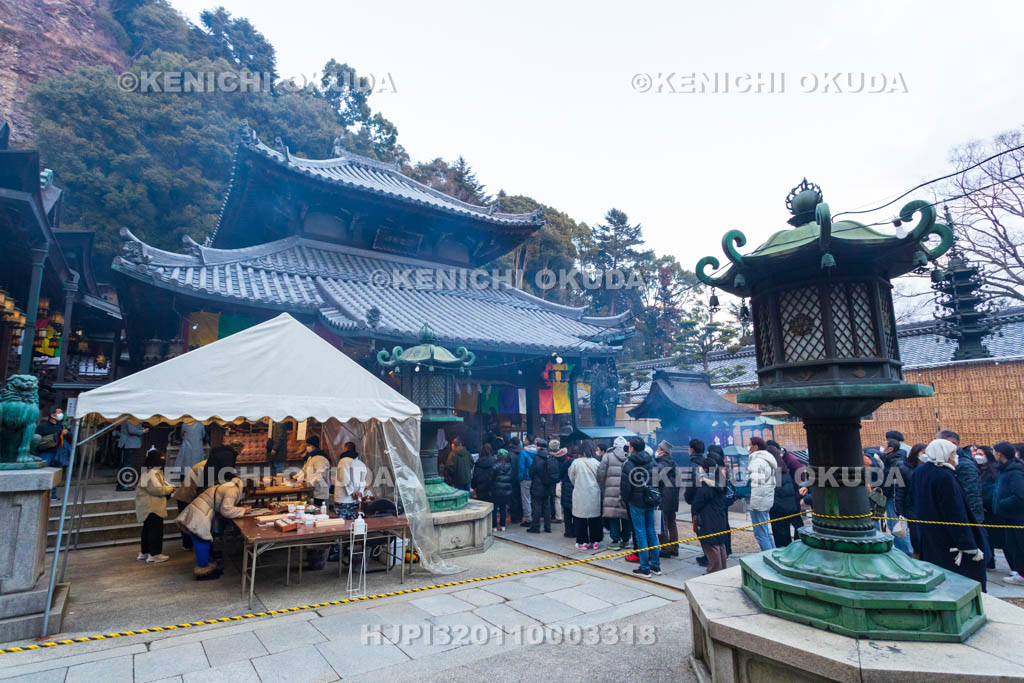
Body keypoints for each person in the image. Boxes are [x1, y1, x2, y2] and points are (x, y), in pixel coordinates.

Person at [909, 439, 987, 591]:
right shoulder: (944, 476)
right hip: (948, 537)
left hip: (929, 532)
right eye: (952, 453)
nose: (955, 457)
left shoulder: (920, 471)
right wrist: (966, 543)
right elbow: (954, 510)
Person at [176, 446, 250, 580]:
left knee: (202, 536)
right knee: (201, 536)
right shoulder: (206, 469)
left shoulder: (214, 466)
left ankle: (206, 563)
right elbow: (224, 507)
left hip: (200, 507)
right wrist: (241, 509)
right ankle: (203, 568)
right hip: (190, 501)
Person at [620, 436, 662, 577]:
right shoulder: (652, 461)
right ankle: (656, 565)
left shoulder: (629, 464)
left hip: (635, 502)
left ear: (632, 448)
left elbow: (625, 487)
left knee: (640, 534)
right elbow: (658, 481)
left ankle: (644, 567)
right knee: (651, 531)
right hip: (649, 501)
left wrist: (626, 500)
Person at [993, 442, 1024, 585]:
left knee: (1019, 545)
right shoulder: (1005, 470)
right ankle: (1020, 571)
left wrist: (1002, 504)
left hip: (1017, 517)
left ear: (999, 454)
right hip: (1009, 516)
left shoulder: (1014, 472)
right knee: (1013, 546)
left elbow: (1020, 495)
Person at [136, 449, 175, 563]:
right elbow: (156, 490)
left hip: (147, 507)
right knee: (155, 531)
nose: (163, 462)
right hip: (152, 507)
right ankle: (155, 554)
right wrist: (170, 489)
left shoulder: (149, 471)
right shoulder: (151, 473)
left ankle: (144, 552)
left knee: (147, 530)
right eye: (161, 459)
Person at [692, 456, 729, 573]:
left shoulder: (706, 484)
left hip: (708, 517)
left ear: (706, 469)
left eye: (702, 468)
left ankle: (714, 571)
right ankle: (722, 570)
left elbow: (698, 502)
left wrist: (694, 509)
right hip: (719, 515)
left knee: (711, 545)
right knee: (720, 543)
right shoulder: (720, 480)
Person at [938, 429, 985, 522]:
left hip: (964, 516)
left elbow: (972, 493)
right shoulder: (940, 462)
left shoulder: (964, 464)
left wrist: (971, 519)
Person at [880, 438, 913, 555]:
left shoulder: (896, 462)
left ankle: (907, 554)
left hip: (893, 498)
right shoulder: (890, 460)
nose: (881, 446)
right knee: (894, 526)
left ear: (890, 449)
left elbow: (895, 485)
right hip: (891, 497)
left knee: (897, 527)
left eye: (884, 444)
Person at [597, 436, 631, 550]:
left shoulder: (608, 456)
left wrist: (604, 488)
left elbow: (601, 474)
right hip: (626, 491)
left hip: (611, 490)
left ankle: (615, 540)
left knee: (614, 516)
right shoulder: (629, 455)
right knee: (626, 516)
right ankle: (626, 540)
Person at [569, 439, 603, 550]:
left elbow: (572, 477)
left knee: (580, 518)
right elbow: (600, 478)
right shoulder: (597, 463)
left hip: (580, 493)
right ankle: (595, 541)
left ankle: (582, 542)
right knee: (595, 518)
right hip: (594, 493)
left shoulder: (576, 462)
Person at [767, 444, 801, 547]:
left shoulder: (775, 473)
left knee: (780, 536)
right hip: (788, 506)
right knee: (786, 533)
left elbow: (777, 492)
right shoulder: (784, 469)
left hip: (778, 508)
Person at [747, 436, 777, 551]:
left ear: (755, 446)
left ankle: (769, 557)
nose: (748, 447)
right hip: (766, 499)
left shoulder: (757, 461)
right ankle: (773, 554)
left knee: (760, 534)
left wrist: (754, 505)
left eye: (749, 445)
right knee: (765, 532)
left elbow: (757, 484)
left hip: (759, 503)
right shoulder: (767, 459)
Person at [172, 454, 207, 551]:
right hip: (186, 497)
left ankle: (188, 545)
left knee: (187, 522)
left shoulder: (204, 465)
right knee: (187, 523)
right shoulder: (206, 467)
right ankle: (188, 545)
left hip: (185, 495)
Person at [684, 438, 709, 566]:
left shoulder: (693, 465)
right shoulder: (706, 461)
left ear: (692, 449)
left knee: (699, 528)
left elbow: (691, 484)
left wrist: (688, 498)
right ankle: (708, 555)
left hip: (697, 500)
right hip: (707, 499)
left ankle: (708, 557)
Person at [706, 444, 733, 557]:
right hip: (723, 501)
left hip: (719, 501)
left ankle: (725, 549)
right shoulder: (724, 467)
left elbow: (719, 487)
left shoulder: (718, 469)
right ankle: (727, 548)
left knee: (722, 525)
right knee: (724, 523)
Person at [654, 440, 680, 557]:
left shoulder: (660, 465)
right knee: (672, 523)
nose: (657, 451)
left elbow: (655, 481)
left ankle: (665, 548)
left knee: (662, 523)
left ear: (663, 452)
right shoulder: (674, 464)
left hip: (663, 497)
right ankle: (674, 547)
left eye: (658, 449)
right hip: (673, 497)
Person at [527, 439, 558, 533]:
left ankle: (536, 527)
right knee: (547, 507)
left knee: (537, 507)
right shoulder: (550, 457)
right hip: (548, 486)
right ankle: (547, 527)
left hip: (537, 486)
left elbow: (531, 472)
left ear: (539, 447)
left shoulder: (537, 458)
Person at [36, 406, 67, 500]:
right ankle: (40, 493)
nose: (61, 414)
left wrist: (65, 433)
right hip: (46, 453)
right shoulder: (42, 426)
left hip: (57, 453)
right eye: (59, 412)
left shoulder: (60, 426)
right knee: (44, 472)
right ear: (52, 415)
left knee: (55, 474)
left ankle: (52, 494)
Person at [293, 436, 331, 506]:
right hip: (312, 490)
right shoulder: (311, 457)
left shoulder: (321, 458)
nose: (307, 447)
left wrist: (310, 483)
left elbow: (320, 474)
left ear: (313, 446)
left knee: (319, 511)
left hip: (320, 492)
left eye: (308, 445)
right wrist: (295, 477)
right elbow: (304, 470)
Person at [335, 442, 369, 520]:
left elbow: (344, 478)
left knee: (341, 525)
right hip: (355, 500)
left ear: (346, 449)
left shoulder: (343, 461)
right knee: (352, 523)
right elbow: (363, 480)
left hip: (343, 499)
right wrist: (359, 492)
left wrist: (352, 491)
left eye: (342, 448)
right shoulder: (361, 463)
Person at [116, 422, 147, 491]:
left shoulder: (131, 419)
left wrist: (140, 429)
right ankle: (122, 485)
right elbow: (132, 431)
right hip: (128, 444)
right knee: (126, 465)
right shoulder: (130, 419)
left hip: (129, 445)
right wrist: (143, 431)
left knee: (127, 465)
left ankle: (124, 484)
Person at [553, 439, 574, 535]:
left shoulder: (566, 463)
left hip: (566, 486)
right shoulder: (575, 462)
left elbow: (560, 474)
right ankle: (575, 530)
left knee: (567, 510)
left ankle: (569, 531)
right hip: (575, 488)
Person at [490, 448, 514, 531]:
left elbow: (491, 478)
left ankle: (494, 526)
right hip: (506, 490)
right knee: (503, 508)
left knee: (495, 508)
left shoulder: (495, 466)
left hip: (496, 489)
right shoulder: (510, 466)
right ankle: (503, 525)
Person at [518, 437, 536, 527]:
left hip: (526, 478)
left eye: (525, 440)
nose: (524, 441)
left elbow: (521, 467)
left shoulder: (523, 452)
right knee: (534, 499)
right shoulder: (537, 451)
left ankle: (528, 519)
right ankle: (535, 517)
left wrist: (520, 478)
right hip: (535, 478)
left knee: (526, 499)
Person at [506, 437, 524, 524]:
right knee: (520, 497)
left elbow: (508, 467)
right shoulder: (522, 452)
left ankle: (514, 517)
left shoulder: (509, 454)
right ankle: (520, 516)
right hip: (521, 478)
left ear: (512, 443)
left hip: (512, 478)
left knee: (513, 499)